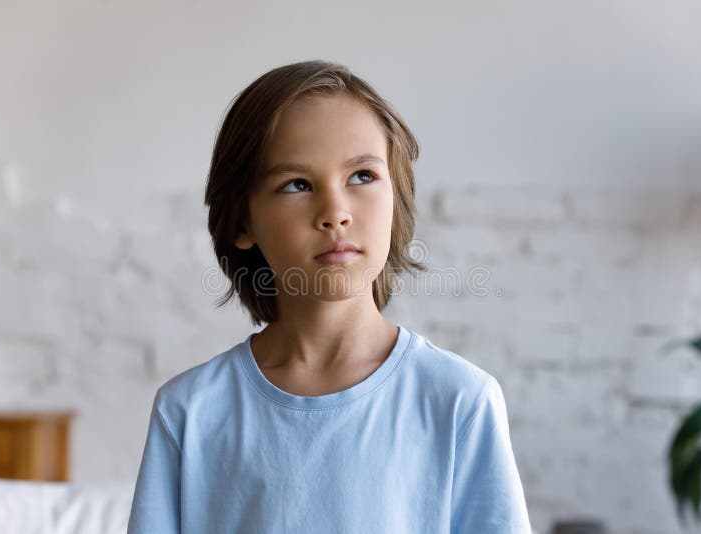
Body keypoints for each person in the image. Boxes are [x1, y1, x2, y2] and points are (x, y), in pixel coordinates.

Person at [127, 59, 533, 534]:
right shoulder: (190, 412)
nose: (335, 212)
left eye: (362, 176)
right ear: (242, 222)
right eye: (297, 185)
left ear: (396, 199)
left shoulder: (460, 401)